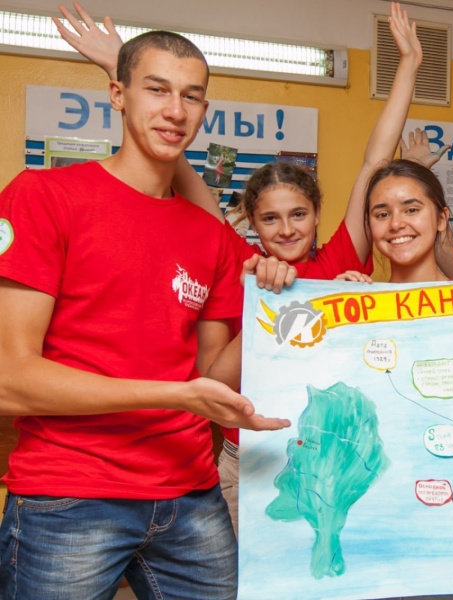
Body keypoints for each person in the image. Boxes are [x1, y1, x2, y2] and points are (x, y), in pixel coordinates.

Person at [55, 1, 426, 541]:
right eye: (270, 219)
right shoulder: (232, 256)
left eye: (299, 215)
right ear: (251, 222)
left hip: (329, 458)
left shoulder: (339, 262)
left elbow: (375, 161)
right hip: (242, 458)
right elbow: (170, 157)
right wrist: (125, 69)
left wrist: (409, 65)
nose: (287, 230)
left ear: (317, 215)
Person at [0, 26, 291, 599]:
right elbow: (10, 380)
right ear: (117, 94)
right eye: (157, 89)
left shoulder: (209, 237)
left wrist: (269, 305)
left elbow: (209, 377)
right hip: (71, 493)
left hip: (190, 495)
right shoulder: (43, 196)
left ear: (203, 110)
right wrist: (174, 395)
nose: (175, 111)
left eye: (190, 96)